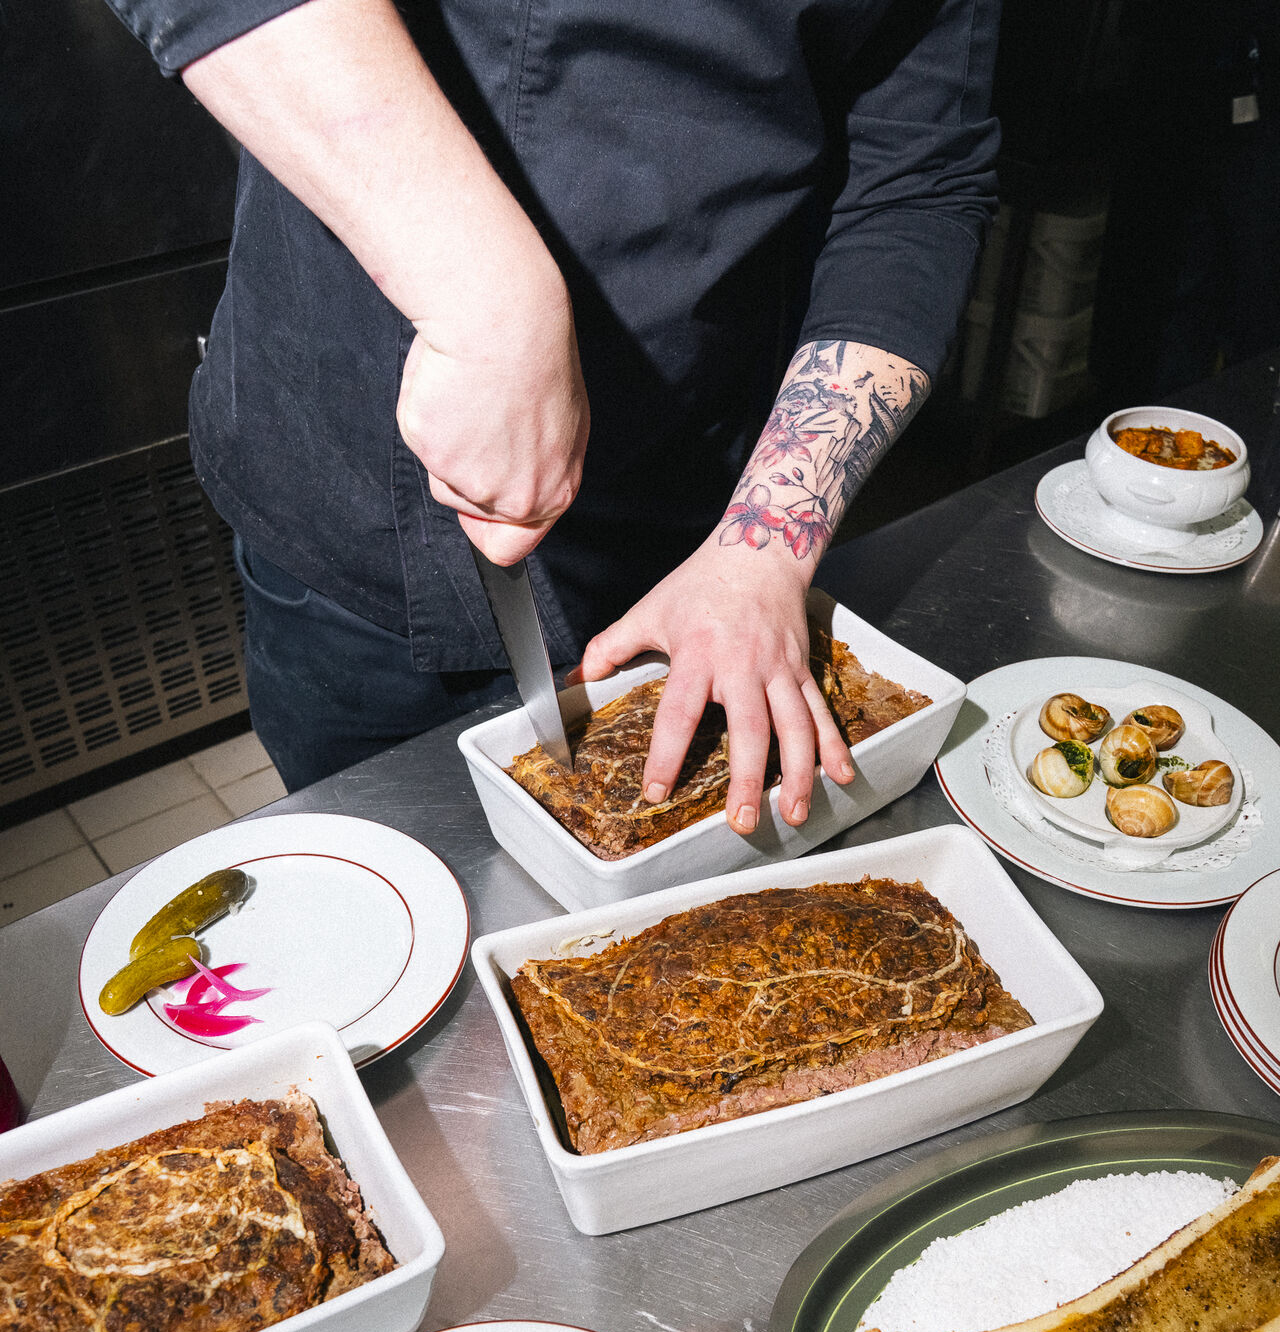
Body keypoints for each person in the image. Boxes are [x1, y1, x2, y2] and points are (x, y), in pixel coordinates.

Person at [103, 0, 999, 832]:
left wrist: (767, 538)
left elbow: (914, 182)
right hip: (347, 494)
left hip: (695, 533)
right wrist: (487, 298)